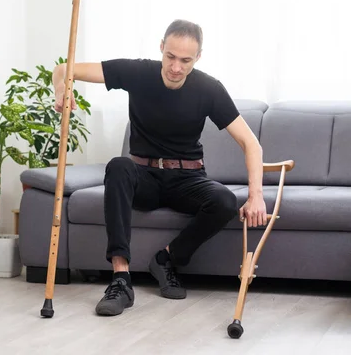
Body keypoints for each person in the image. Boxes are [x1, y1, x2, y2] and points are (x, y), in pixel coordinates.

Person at [52, 19, 267, 316]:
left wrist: (256, 194)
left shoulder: (209, 88)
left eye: (185, 60)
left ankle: (166, 259)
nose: (176, 67)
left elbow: (251, 144)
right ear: (161, 47)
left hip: (187, 178)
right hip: (144, 177)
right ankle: (121, 279)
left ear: (198, 58)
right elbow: (66, 68)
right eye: (171, 57)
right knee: (118, 166)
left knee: (225, 201)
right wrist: (61, 87)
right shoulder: (137, 72)